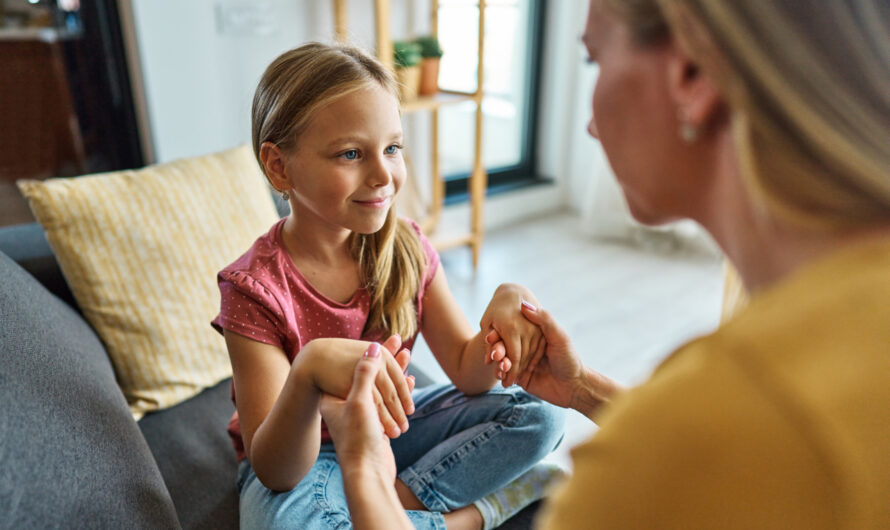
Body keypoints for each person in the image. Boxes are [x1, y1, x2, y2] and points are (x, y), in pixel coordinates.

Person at [322, 0, 890, 528]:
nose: (590, 123)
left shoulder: (662, 454)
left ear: (691, 72)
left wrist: (363, 472)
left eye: (595, 59)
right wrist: (581, 391)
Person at [211, 42, 566, 529]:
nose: (383, 175)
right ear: (279, 166)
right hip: (308, 461)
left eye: (393, 148)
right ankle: (474, 516)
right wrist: (309, 373)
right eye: (351, 153)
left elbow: (468, 371)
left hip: (396, 427)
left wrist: (507, 308)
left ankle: (388, 509)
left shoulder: (408, 249)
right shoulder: (254, 290)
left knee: (539, 415)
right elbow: (274, 469)